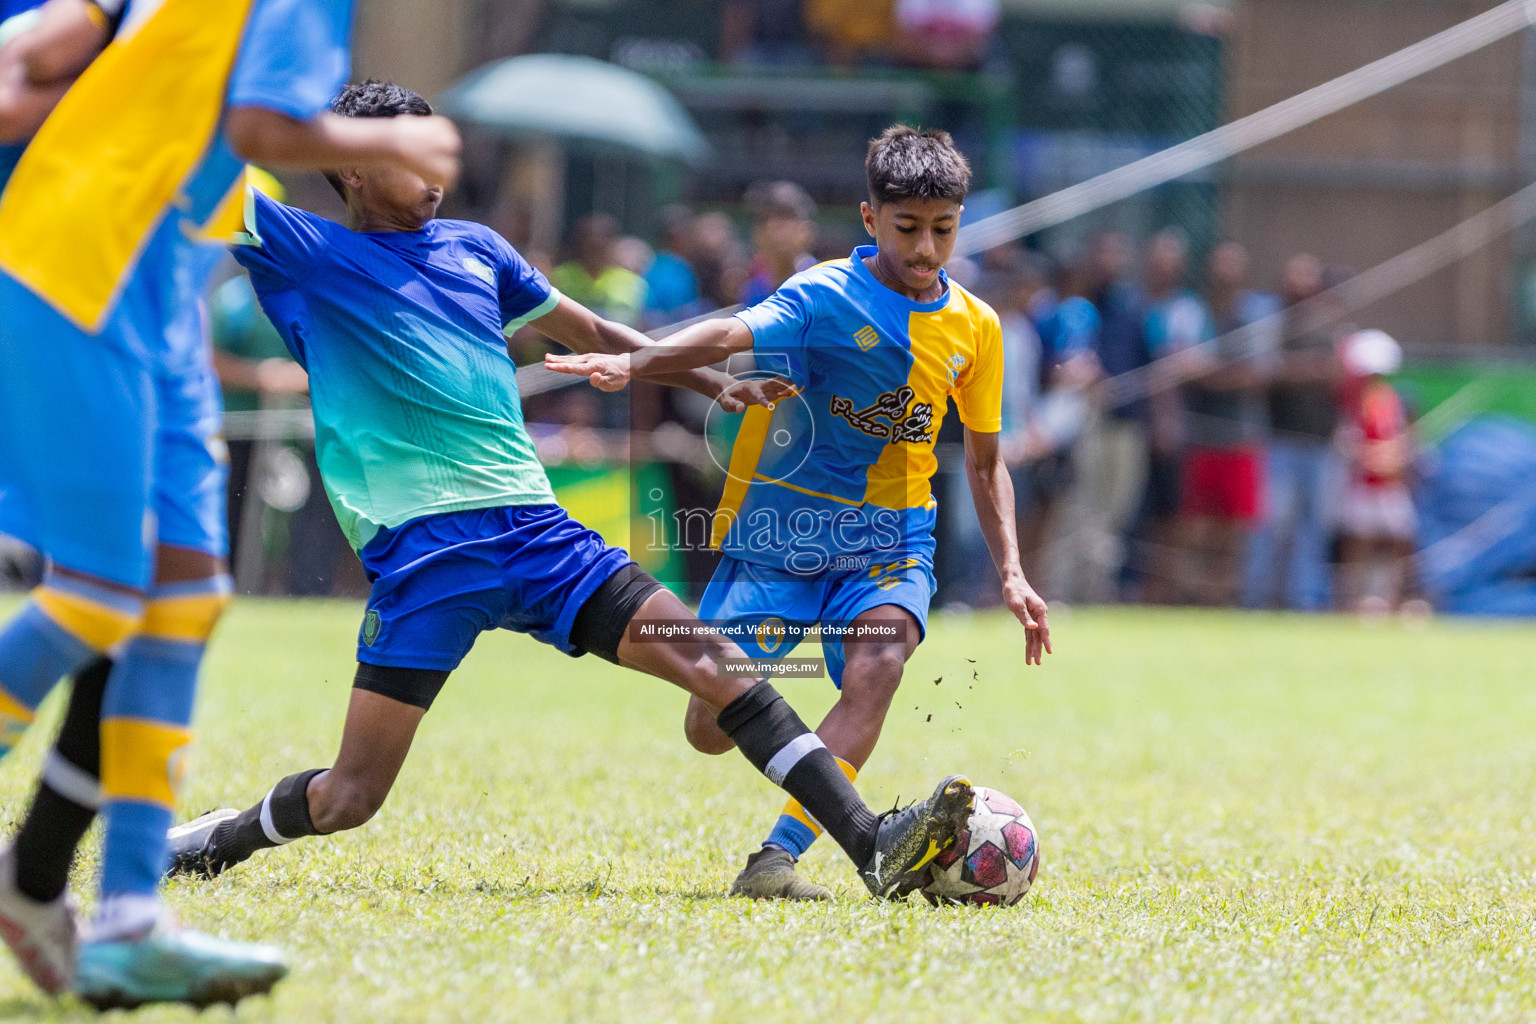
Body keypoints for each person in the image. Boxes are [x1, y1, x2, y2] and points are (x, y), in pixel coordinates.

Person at [163, 84, 975, 914]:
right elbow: (181, 163)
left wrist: (709, 381)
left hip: (541, 536)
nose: (437, 170)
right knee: (350, 797)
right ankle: (221, 838)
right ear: (348, 167)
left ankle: (869, 844)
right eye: (408, 155)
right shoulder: (304, 249)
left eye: (438, 148)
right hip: (427, 558)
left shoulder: (478, 248)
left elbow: (593, 331)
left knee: (715, 665)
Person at [0, 0, 462, 1007]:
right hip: (83, 268)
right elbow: (262, 125)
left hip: (152, 288)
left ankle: (127, 917)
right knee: (97, 595)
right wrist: (397, 134)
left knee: (184, 599)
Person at [547, 125, 1051, 900]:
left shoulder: (976, 328)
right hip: (778, 538)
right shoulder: (823, 296)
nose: (925, 248)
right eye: (906, 228)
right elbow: (728, 332)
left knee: (880, 667)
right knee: (708, 729)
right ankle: (795, 715)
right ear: (869, 217)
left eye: (942, 230)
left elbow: (985, 461)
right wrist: (635, 359)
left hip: (890, 544)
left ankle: (775, 858)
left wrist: (1013, 572)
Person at [1242, 253, 1345, 611]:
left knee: (1313, 529)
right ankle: (1257, 599)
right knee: (1271, 526)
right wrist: (1309, 371)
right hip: (1280, 439)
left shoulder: (1329, 325)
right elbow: (1265, 371)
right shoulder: (1272, 323)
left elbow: (1338, 373)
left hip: (1320, 441)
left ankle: (1305, 601)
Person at [1181, 241, 1279, 605]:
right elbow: (1178, 365)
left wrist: (1209, 374)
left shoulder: (1255, 315)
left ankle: (1225, 594)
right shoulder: (1193, 312)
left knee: (1235, 526)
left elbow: (1259, 375)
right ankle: (1196, 594)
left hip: (1240, 436)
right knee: (1197, 524)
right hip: (1200, 435)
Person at [1127, 230, 1214, 604]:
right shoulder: (1133, 305)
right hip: (1129, 425)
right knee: (1131, 509)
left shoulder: (1188, 310)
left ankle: (1165, 588)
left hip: (1173, 425)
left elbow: (1196, 363)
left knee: (1172, 511)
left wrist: (1167, 418)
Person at [1335, 330, 1417, 613]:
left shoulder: (1391, 400)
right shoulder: (1353, 402)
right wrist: (1368, 456)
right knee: (1358, 542)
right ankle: (1352, 599)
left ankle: (1389, 597)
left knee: (1398, 541)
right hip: (1363, 484)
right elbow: (1348, 442)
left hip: (1390, 484)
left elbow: (1403, 439)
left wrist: (1394, 455)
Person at [552, 213, 648, 328]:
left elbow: (638, 321)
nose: (594, 252)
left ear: (612, 244)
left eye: (600, 246)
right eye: (589, 244)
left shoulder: (631, 282)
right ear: (578, 244)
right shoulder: (560, 277)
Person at [740, 179, 817, 307]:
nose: (773, 226)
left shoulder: (823, 283)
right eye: (765, 218)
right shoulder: (753, 291)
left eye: (784, 216)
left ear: (807, 229)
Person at [643, 204, 705, 327]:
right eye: (691, 233)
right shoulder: (677, 272)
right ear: (677, 237)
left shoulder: (652, 264)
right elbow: (681, 316)